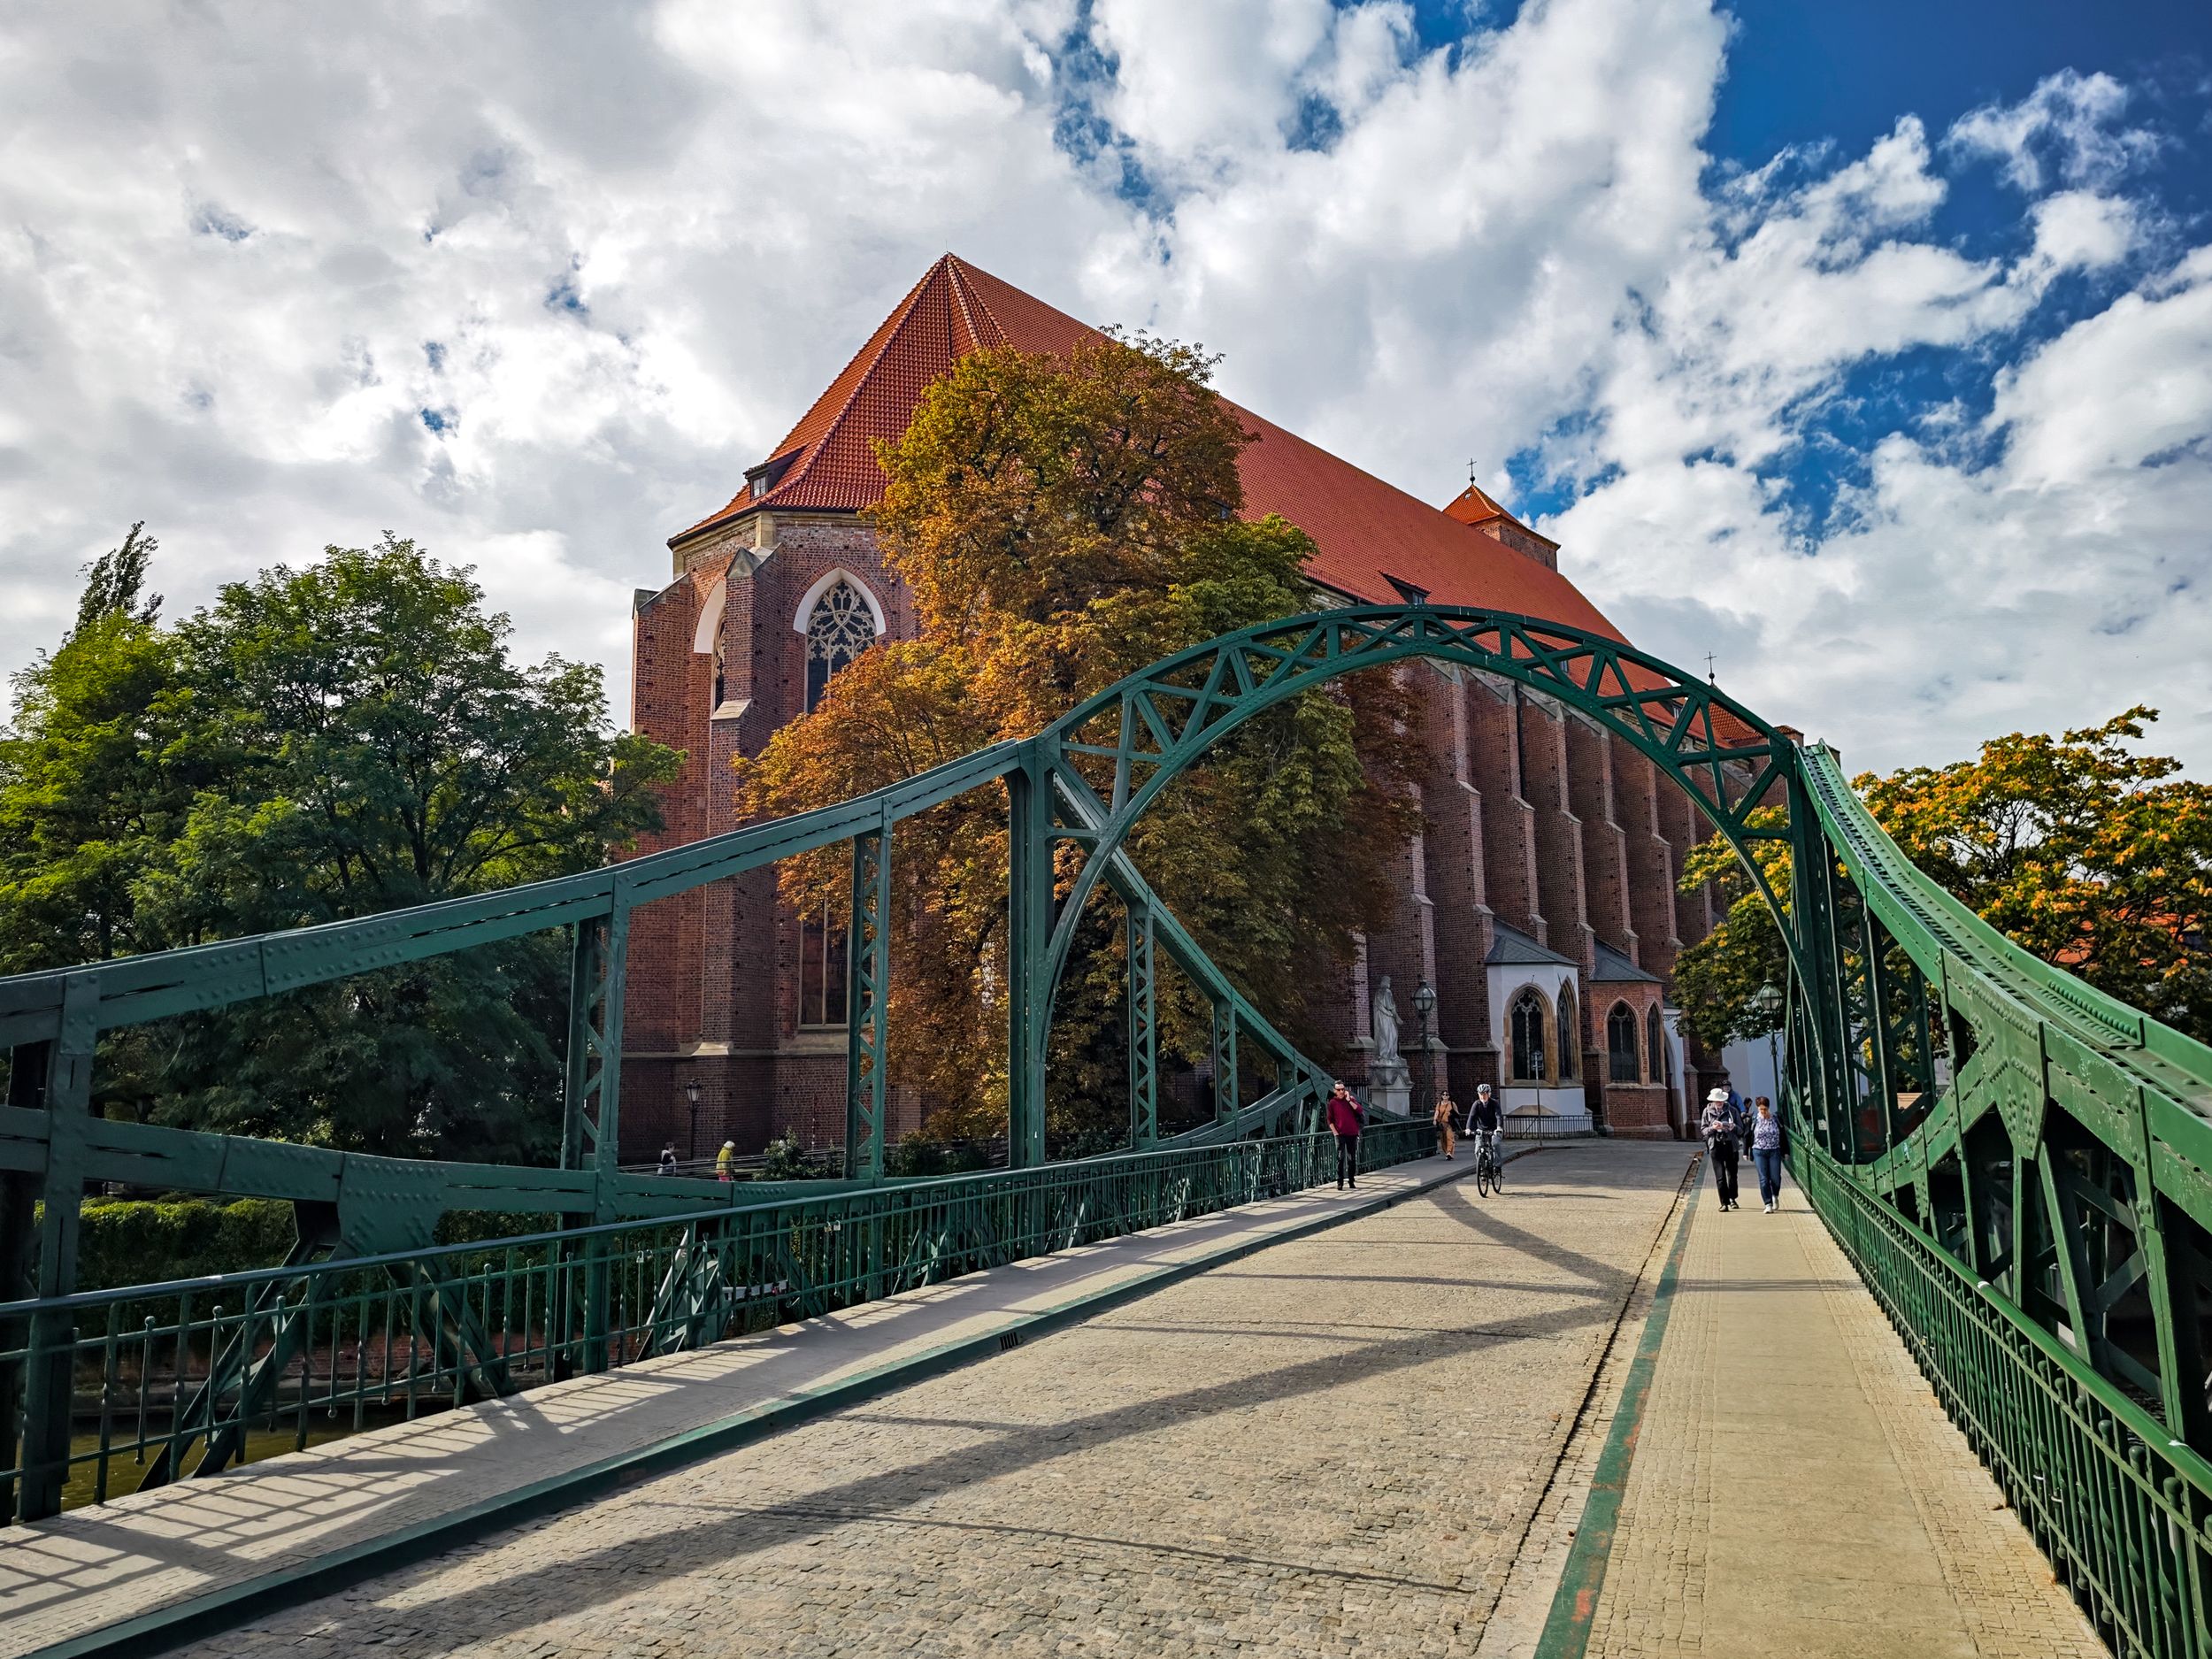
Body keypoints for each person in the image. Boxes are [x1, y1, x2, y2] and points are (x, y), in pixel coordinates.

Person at [1700, 1087, 1742, 1211]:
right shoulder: (1707, 1112)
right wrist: (1713, 1128)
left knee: (1732, 1174)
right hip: (1716, 1145)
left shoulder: (1732, 1111)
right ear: (1712, 1101)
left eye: (1720, 1101)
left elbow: (1741, 1130)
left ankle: (1733, 1198)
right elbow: (1703, 1130)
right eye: (1716, 1101)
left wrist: (1732, 1127)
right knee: (1720, 1176)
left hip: (1730, 1144)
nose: (1719, 1103)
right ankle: (1724, 1203)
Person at [1327, 1082, 1365, 1191]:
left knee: (1352, 1158)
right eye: (1339, 1090)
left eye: (1343, 1089)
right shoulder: (1332, 1103)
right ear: (1335, 1091)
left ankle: (1351, 1180)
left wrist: (1349, 1100)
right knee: (1340, 1158)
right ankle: (1340, 1182)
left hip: (1352, 1133)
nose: (1341, 1092)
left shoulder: (1351, 1100)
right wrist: (1335, 1132)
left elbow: (1359, 1110)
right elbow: (1330, 1119)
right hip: (1340, 1134)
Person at [1750, 1096, 1785, 1212]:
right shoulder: (1754, 1119)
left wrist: (1786, 1151)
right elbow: (1748, 1135)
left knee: (1775, 1177)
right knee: (1764, 1179)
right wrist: (1746, 1151)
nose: (1763, 1112)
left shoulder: (1776, 1118)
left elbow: (1783, 1134)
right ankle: (1768, 1203)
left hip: (1774, 1150)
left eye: (1765, 1109)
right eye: (1761, 1109)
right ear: (1758, 1108)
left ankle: (1775, 1195)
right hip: (1759, 1151)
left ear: (1768, 1108)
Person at [1467, 1083, 1502, 1172]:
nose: (1483, 1096)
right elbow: (1471, 1117)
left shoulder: (1494, 1103)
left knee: (1495, 1144)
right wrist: (1468, 1128)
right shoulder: (1477, 1104)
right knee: (1477, 1150)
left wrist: (1498, 1128)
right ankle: (1483, 1169)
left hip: (1494, 1129)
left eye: (1485, 1094)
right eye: (1481, 1094)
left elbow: (1498, 1116)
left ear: (1489, 1094)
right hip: (1481, 1129)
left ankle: (1497, 1166)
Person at [1432, 1089, 1458, 1158]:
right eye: (1443, 1095)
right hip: (1442, 1124)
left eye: (1446, 1095)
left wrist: (1451, 1114)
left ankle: (1449, 1152)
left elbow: (1457, 1114)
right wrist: (1435, 1119)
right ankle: (1447, 1152)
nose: (1445, 1096)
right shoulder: (1439, 1104)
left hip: (1449, 1123)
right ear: (1441, 1096)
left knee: (1449, 1137)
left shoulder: (1452, 1104)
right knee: (1443, 1139)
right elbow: (1437, 1112)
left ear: (1449, 1096)